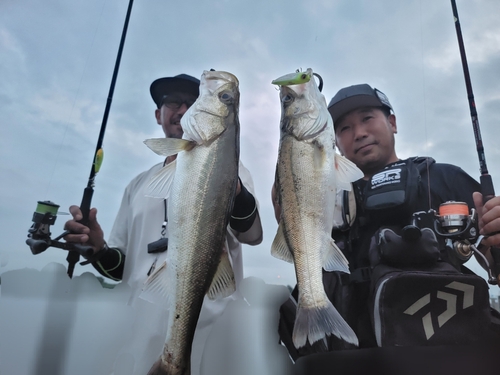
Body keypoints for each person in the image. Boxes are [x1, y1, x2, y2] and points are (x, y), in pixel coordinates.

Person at [274, 83, 500, 359]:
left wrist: (494, 242)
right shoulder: (325, 194)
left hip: (442, 356)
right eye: (344, 128)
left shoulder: (442, 177)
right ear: (332, 138)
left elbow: (494, 263)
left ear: (392, 122)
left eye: (367, 118)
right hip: (347, 360)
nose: (359, 133)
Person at [64, 73, 263, 374]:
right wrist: (98, 248)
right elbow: (124, 267)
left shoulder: (232, 169)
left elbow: (251, 234)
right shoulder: (137, 185)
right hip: (138, 335)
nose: (182, 109)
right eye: (172, 102)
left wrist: (231, 188)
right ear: (159, 115)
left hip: (214, 332)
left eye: (191, 101)